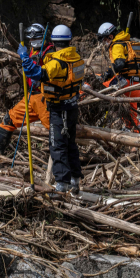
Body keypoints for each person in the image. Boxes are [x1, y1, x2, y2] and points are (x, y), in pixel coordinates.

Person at [18, 24, 84, 193]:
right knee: (70, 144)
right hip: (72, 107)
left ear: (53, 42)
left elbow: (34, 73)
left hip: (58, 108)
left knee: (57, 145)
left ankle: (62, 184)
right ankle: (75, 181)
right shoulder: (77, 59)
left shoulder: (56, 63)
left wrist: (25, 58)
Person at [0, 23, 54, 154]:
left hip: (44, 98)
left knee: (56, 131)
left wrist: (26, 58)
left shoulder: (50, 52)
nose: (32, 41)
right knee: (9, 119)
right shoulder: (31, 51)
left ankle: (64, 162)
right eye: (30, 39)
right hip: (31, 97)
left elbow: (45, 73)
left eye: (35, 38)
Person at [97, 22, 140, 132]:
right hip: (136, 86)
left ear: (110, 36)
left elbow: (119, 64)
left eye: (105, 40)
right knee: (132, 119)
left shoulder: (117, 45)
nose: (104, 43)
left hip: (126, 84)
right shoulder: (132, 44)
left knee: (97, 85)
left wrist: (105, 75)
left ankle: (98, 110)